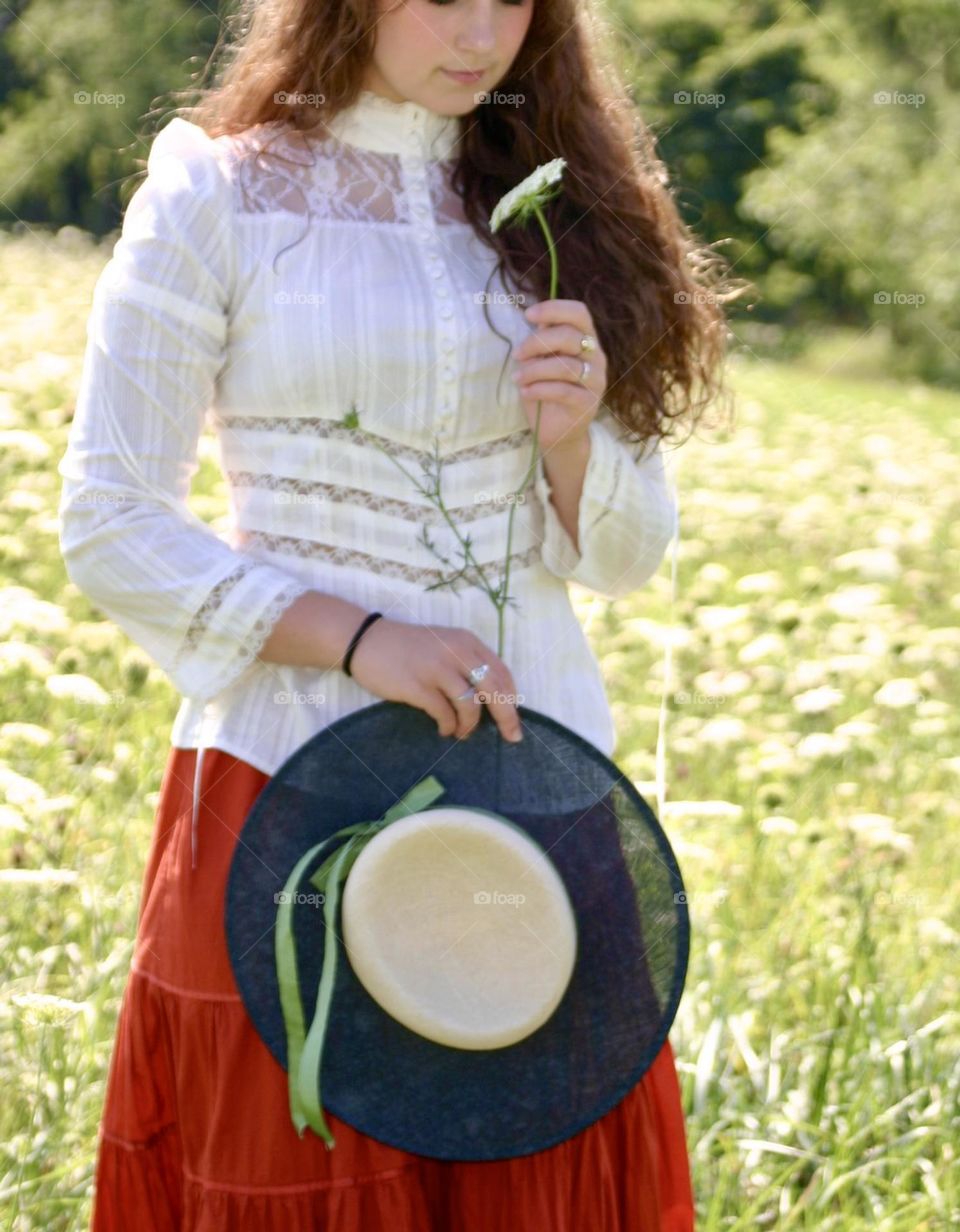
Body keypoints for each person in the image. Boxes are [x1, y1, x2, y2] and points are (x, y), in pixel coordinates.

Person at [59, 0, 737, 1224]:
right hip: (286, 780)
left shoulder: (563, 202)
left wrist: (574, 441)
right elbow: (111, 522)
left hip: (537, 785)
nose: (482, 32)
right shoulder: (219, 193)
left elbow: (629, 557)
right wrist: (366, 642)